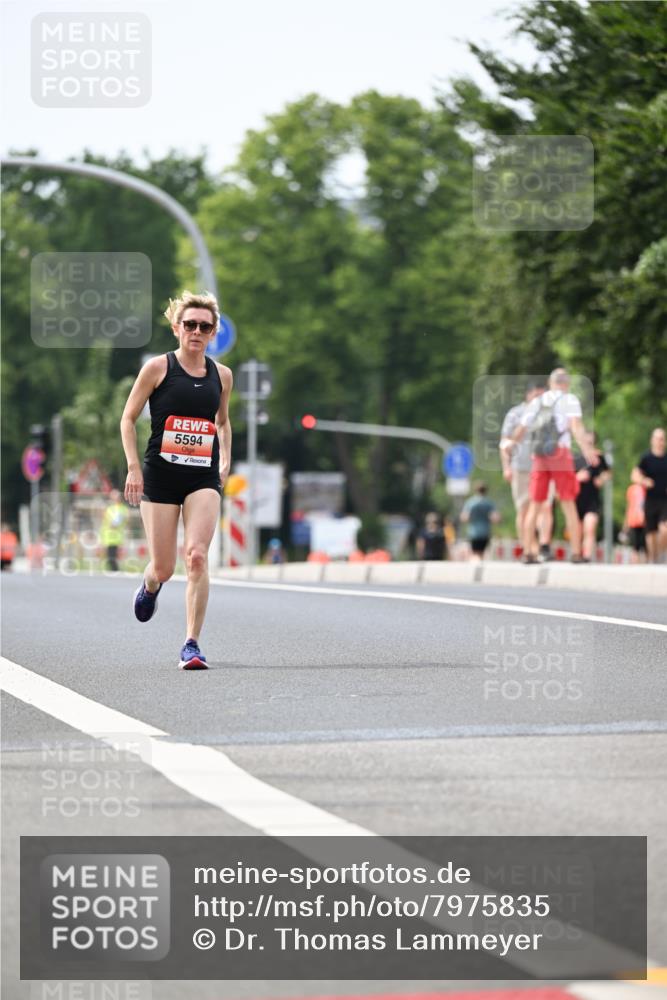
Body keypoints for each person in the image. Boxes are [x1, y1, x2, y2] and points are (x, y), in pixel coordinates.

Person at [120, 291, 233, 669]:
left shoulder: (222, 375)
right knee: (165, 567)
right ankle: (151, 584)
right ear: (176, 328)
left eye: (204, 326)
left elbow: (222, 421)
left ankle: (191, 644)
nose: (197, 331)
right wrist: (134, 467)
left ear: (214, 332)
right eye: (190, 325)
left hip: (202, 476)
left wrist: (227, 457)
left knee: (197, 557)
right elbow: (127, 419)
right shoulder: (158, 368)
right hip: (161, 477)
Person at [513, 367, 598, 563]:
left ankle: (528, 552)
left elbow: (522, 428)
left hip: (540, 455)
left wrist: (510, 445)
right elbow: (576, 426)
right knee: (568, 504)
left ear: (551, 383)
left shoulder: (538, 401)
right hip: (560, 453)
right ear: (566, 383)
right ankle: (577, 553)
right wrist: (587, 450)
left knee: (535, 505)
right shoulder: (570, 400)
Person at [499, 381, 553, 560]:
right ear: (528, 395)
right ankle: (527, 546)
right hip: (521, 468)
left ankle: (544, 545)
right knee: (524, 509)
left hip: (544, 467)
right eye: (537, 396)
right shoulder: (515, 414)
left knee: (545, 507)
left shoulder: (548, 414)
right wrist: (506, 466)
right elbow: (505, 442)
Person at [631, 428, 667, 563]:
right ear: (652, 441)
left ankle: (660, 554)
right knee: (651, 533)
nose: (659, 441)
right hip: (650, 500)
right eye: (657, 438)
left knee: (664, 529)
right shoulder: (646, 458)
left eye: (662, 438)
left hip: (665, 500)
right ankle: (653, 558)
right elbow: (634, 475)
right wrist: (644, 481)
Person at [574, 431, 611, 562]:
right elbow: (565, 479)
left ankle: (587, 556)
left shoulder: (599, 458)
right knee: (577, 531)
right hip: (576, 499)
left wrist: (601, 479)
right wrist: (578, 477)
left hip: (592, 500)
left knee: (590, 527)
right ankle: (577, 554)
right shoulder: (576, 458)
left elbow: (608, 472)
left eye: (592, 443)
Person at [459, 483, 500, 560]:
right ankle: (479, 565)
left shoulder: (470, 503)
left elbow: (464, 517)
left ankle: (477, 567)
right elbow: (496, 518)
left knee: (475, 552)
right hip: (485, 532)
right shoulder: (489, 503)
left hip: (473, 532)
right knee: (482, 553)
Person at [100, 489, 128, 572]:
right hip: (107, 537)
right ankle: (114, 572)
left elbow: (115, 523)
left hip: (115, 537)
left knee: (112, 558)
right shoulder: (110, 508)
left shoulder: (122, 509)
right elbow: (105, 522)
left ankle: (116, 573)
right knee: (109, 559)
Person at [621, 481, 646, 564]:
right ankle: (636, 565)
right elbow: (629, 506)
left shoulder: (645, 488)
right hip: (633, 521)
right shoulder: (631, 489)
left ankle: (645, 564)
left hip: (645, 521)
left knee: (645, 547)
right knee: (635, 547)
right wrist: (625, 525)